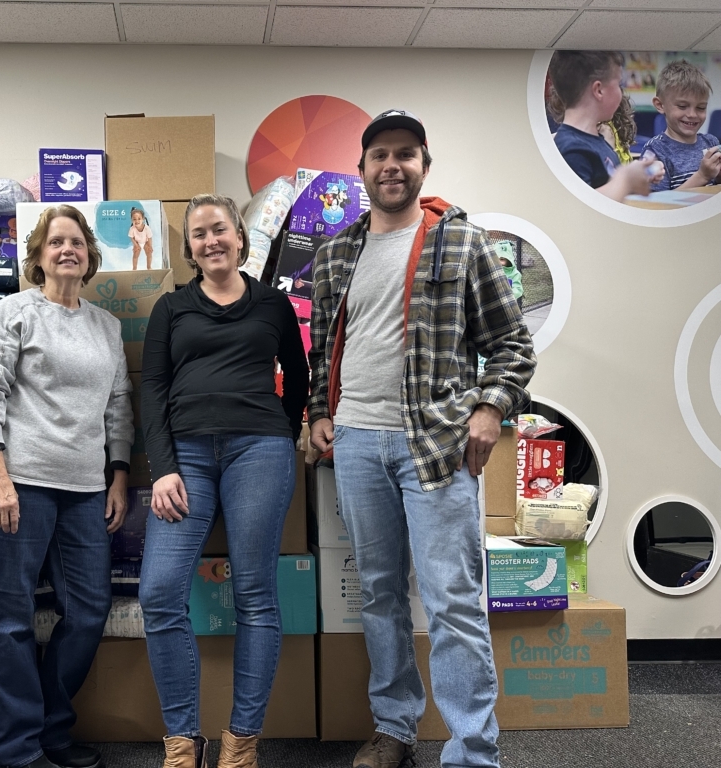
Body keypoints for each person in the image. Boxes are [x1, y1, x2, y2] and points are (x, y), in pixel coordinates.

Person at [308, 110, 536, 768]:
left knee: (452, 601)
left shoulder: (461, 244)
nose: (392, 165)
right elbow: (324, 347)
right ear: (361, 171)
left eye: (405, 154)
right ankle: (395, 729)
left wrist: (491, 408)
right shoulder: (335, 255)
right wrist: (316, 413)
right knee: (378, 595)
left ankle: (471, 751)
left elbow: (511, 345)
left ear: (423, 165)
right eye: (380, 154)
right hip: (354, 444)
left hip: (434, 447)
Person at [139, 194, 309, 768]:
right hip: (185, 456)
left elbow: (300, 377)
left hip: (259, 451)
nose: (210, 241)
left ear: (240, 237)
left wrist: (281, 438)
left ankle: (241, 745)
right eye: (198, 234)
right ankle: (183, 743)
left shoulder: (273, 305)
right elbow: (153, 391)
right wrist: (162, 468)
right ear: (189, 248)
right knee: (159, 592)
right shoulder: (171, 308)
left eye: (220, 230)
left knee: (255, 595)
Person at [0, 204, 133, 768]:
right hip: (15, 480)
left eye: (77, 242)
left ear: (90, 255)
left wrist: (119, 472)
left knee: (88, 610)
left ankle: (53, 730)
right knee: (10, 617)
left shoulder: (106, 325)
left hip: (84, 488)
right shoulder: (14, 311)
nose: (68, 250)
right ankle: (15, 750)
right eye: (56, 241)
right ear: (36, 255)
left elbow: (118, 406)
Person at [548, 51, 661, 201]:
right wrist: (626, 178)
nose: (621, 93)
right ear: (599, 90)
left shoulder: (598, 142)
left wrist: (638, 177)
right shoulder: (572, 149)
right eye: (619, 84)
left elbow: (610, 192)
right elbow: (580, 205)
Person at [643, 60, 721, 191]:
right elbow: (658, 204)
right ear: (660, 105)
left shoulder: (711, 143)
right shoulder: (655, 150)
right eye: (682, 106)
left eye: (701, 108)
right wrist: (702, 176)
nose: (692, 114)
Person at [495, 241, 524, 312]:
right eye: (497, 259)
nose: (499, 262)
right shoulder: (493, 271)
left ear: (509, 259)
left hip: (509, 305)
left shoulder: (515, 274)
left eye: (502, 259)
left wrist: (509, 296)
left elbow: (518, 289)